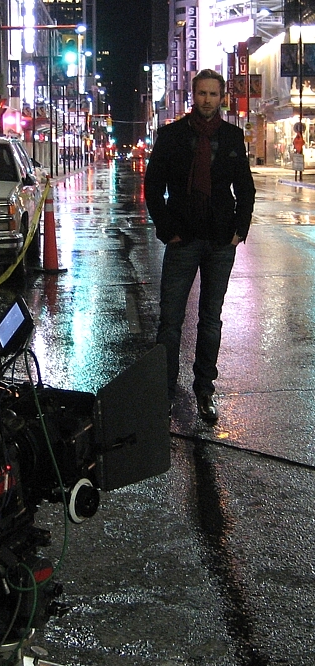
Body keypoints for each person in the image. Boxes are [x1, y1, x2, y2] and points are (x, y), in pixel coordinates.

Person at [144, 68, 256, 422]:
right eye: (202, 94)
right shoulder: (173, 135)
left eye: (213, 94)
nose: (207, 100)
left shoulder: (233, 137)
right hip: (183, 240)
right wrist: (167, 229)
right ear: (193, 96)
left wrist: (240, 228)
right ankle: (163, 393)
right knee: (170, 321)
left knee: (211, 320)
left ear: (221, 97)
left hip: (221, 241)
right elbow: (152, 186)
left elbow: (246, 188)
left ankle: (204, 390)